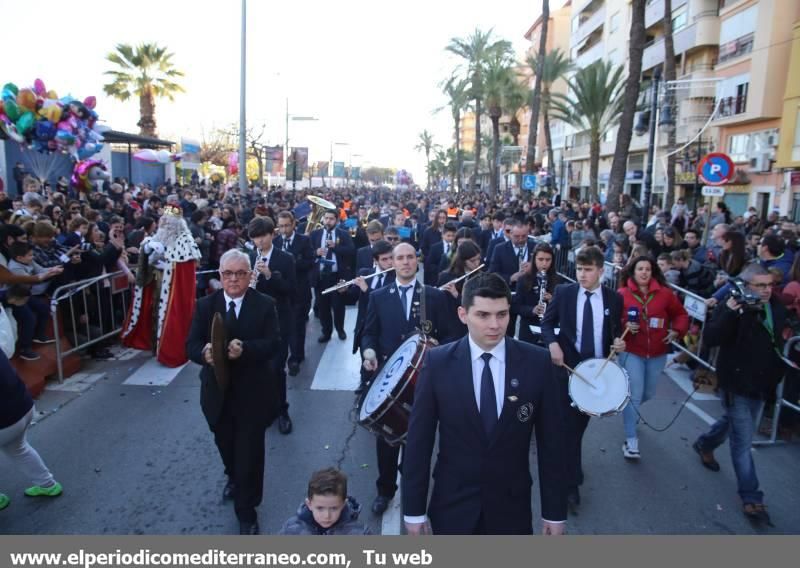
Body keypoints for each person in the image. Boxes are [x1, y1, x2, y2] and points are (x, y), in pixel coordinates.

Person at [402, 272, 567, 535]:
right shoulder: (437, 364)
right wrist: (413, 510)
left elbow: (552, 445)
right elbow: (419, 443)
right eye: (483, 315)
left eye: (502, 314)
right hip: (453, 507)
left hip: (511, 509)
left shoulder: (537, 363)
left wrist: (555, 513)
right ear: (462, 315)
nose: (494, 325)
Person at [185, 249, 282, 535]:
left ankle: (247, 511)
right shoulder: (205, 306)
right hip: (216, 395)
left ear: (250, 275)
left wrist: (246, 349)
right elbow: (189, 345)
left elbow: (274, 344)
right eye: (228, 273)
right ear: (220, 275)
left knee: (250, 455)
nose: (234, 279)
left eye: (240, 273)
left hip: (252, 395)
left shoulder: (265, 304)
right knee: (226, 446)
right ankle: (233, 476)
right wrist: (203, 353)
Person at [361, 242, 455, 516]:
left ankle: (415, 491)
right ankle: (385, 489)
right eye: (399, 258)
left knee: (421, 439)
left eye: (410, 257)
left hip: (425, 381)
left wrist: (439, 347)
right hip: (390, 379)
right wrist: (369, 353)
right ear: (392, 262)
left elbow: (452, 335)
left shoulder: (434, 297)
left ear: (417, 262)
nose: (404, 262)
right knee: (387, 439)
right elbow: (369, 333)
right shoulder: (379, 296)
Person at [692, 264, 786, 526]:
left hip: (762, 384)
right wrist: (730, 314)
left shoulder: (776, 306)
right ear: (747, 286)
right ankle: (751, 496)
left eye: (769, 285)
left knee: (734, 423)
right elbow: (710, 337)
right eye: (760, 285)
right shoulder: (732, 305)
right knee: (743, 441)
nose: (767, 290)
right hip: (736, 383)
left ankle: (705, 443)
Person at [540, 246, 625, 512]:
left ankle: (566, 474)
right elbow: (546, 323)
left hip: (596, 374)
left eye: (588, 269)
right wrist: (552, 343)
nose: (582, 274)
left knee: (575, 430)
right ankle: (570, 484)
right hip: (568, 370)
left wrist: (618, 344)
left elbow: (613, 333)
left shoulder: (613, 299)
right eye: (579, 269)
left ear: (601, 271)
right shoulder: (565, 294)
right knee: (568, 429)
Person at [617, 256, 689, 459]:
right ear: (633, 272)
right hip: (632, 351)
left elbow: (681, 315)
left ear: (653, 272)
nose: (644, 272)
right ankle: (631, 441)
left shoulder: (665, 294)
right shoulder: (622, 294)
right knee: (635, 394)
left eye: (648, 269)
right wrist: (624, 325)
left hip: (657, 352)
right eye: (640, 268)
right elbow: (613, 319)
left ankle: (633, 413)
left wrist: (677, 331)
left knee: (647, 393)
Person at [122, 205, 201, 366]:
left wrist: (169, 267)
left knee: (169, 319)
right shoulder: (157, 237)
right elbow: (146, 260)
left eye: (167, 222)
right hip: (156, 287)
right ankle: (155, 345)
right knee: (155, 315)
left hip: (173, 293)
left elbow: (185, 269)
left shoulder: (185, 241)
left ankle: (167, 348)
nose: (163, 225)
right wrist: (147, 250)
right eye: (162, 222)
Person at [247, 217, 297, 435]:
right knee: (258, 368)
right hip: (255, 320)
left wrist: (268, 275)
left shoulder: (285, 259)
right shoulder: (248, 257)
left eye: (263, 236)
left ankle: (282, 411)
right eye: (255, 237)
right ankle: (265, 407)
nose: (259, 241)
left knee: (277, 367)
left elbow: (290, 290)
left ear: (272, 234)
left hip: (278, 319)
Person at [0, 350, 63, 512]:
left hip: (4, 421)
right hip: (23, 407)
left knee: (17, 448)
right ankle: (48, 484)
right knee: (19, 448)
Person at [340, 239, 395, 394]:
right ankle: (364, 382)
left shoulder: (395, 278)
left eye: (391, 258)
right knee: (366, 357)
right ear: (375, 260)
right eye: (384, 259)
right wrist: (344, 291)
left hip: (385, 327)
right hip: (366, 326)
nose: (389, 262)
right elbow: (352, 298)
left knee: (383, 361)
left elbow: (385, 303)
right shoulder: (365, 273)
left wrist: (366, 289)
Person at [274, 211, 314, 377]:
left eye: (287, 226)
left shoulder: (303, 240)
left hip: (299, 290)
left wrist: (291, 262)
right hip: (281, 291)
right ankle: (285, 354)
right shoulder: (275, 241)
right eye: (281, 226)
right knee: (282, 325)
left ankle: (295, 358)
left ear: (293, 225)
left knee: (297, 325)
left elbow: (310, 262)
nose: (284, 230)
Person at [278, 467, 371, 535]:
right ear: (309, 504)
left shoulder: (359, 532)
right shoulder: (292, 530)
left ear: (343, 504)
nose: (327, 516)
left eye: (334, 508)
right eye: (320, 508)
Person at [310, 210, 355, 343]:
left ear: (336, 220)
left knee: (338, 306)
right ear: (323, 219)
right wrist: (315, 252)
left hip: (337, 276)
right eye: (326, 218)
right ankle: (326, 332)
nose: (328, 221)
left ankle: (340, 329)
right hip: (321, 277)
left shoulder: (343, 234)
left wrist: (336, 247)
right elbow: (307, 252)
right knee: (323, 308)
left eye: (331, 219)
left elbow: (351, 251)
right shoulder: (315, 234)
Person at [513, 243, 558, 346]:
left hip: (550, 331)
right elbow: (516, 306)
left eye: (548, 260)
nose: (544, 264)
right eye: (540, 259)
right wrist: (532, 310)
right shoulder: (523, 280)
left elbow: (564, 310)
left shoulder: (558, 280)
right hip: (529, 330)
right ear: (534, 260)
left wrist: (552, 301)